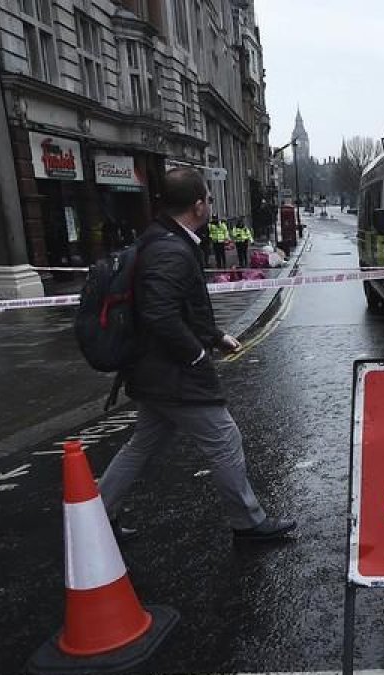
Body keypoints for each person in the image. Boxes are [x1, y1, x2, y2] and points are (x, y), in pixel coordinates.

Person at [98, 167, 295, 541]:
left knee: (142, 444)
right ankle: (248, 522)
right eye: (208, 198)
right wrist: (195, 355)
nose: (209, 205)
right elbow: (160, 313)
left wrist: (215, 335)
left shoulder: (164, 239)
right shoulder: (171, 249)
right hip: (172, 371)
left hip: (153, 370)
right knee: (224, 438)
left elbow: (180, 305)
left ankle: (96, 515)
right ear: (199, 205)